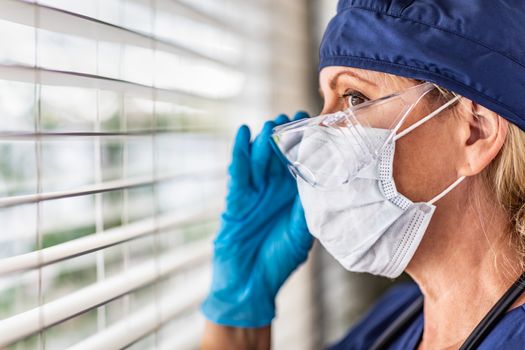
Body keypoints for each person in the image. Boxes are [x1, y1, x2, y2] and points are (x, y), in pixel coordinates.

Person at [200, 0, 525, 349]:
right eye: (324, 101)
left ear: (476, 132)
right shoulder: (396, 317)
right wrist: (238, 317)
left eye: (353, 98)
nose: (314, 140)